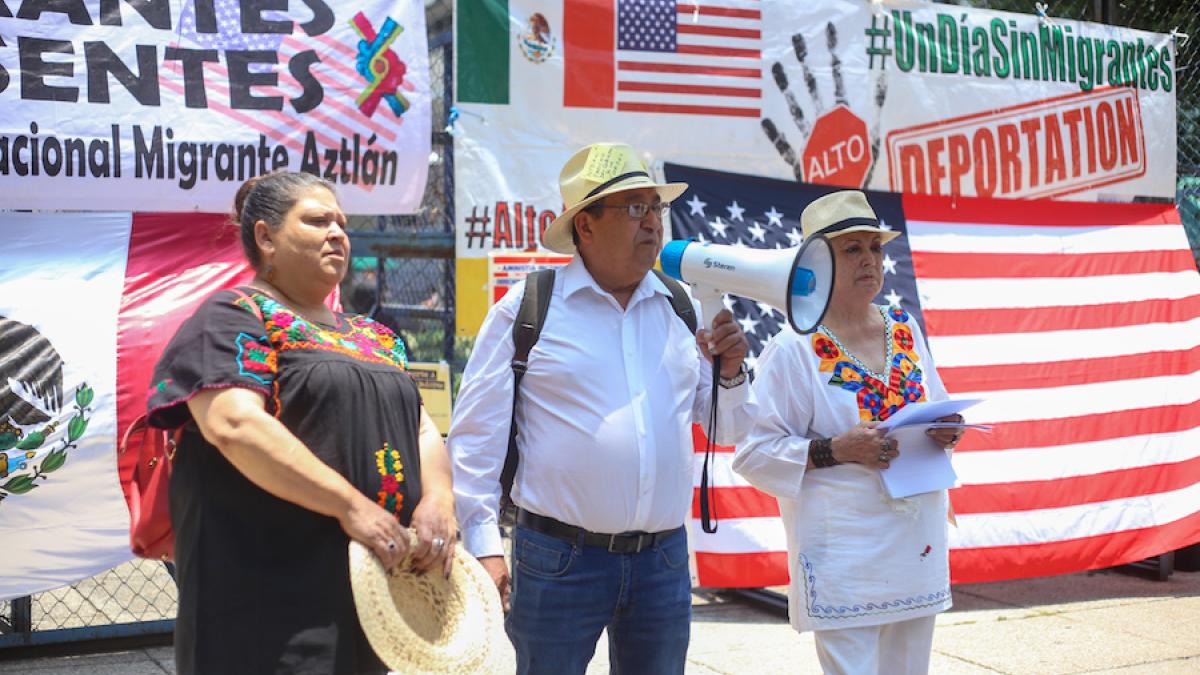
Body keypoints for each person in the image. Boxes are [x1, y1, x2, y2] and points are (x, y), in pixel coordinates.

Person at [448, 142, 756, 675]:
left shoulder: (681, 306)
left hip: (663, 560)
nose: (652, 224)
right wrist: (483, 546)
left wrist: (730, 371)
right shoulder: (527, 309)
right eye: (634, 208)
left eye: (655, 208)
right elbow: (476, 439)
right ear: (584, 227)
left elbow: (728, 425)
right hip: (557, 559)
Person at [146, 171, 457, 675]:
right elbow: (234, 425)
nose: (338, 232)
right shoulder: (233, 316)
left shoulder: (377, 337)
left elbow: (421, 428)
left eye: (342, 222)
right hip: (266, 588)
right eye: (317, 221)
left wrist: (439, 501)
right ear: (266, 236)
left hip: (373, 588)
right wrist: (351, 506)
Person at [732, 190, 965, 675]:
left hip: (914, 537)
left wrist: (946, 429)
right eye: (852, 249)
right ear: (817, 262)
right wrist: (833, 450)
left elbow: (934, 407)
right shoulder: (793, 348)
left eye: (875, 248)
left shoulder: (904, 329)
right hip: (845, 548)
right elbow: (754, 453)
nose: (870, 260)